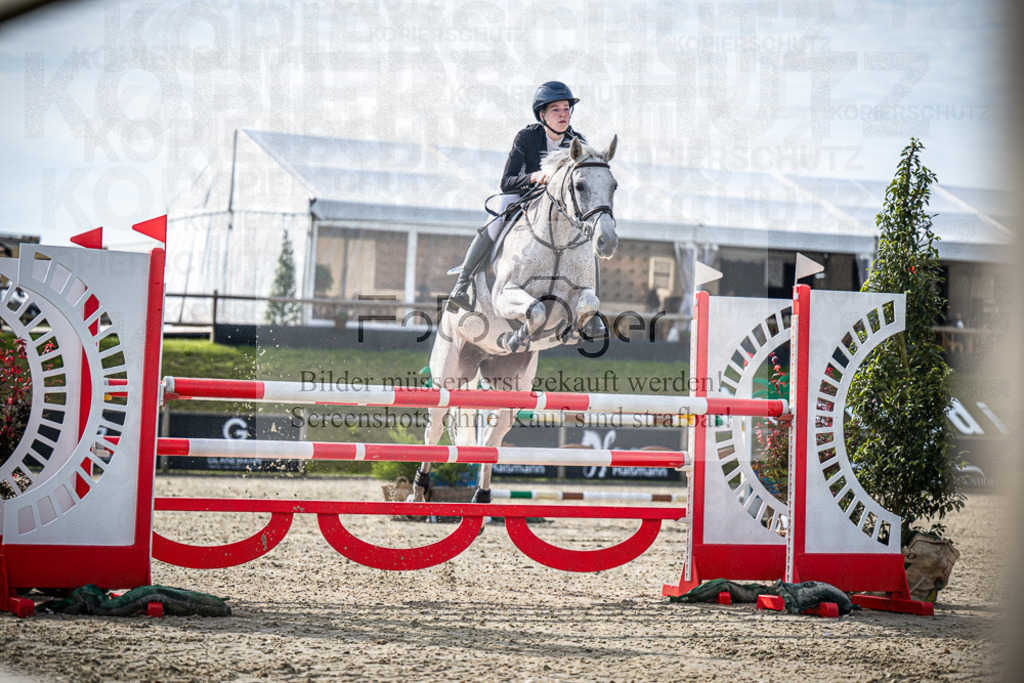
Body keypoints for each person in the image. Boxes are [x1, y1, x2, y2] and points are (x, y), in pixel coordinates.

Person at [446, 81, 587, 312]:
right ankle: (461, 285)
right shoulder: (527, 137)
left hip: (558, 206)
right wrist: (534, 177)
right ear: (542, 115)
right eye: (556, 110)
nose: (563, 114)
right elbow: (507, 182)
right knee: (495, 219)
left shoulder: (578, 142)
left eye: (566, 109)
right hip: (522, 198)